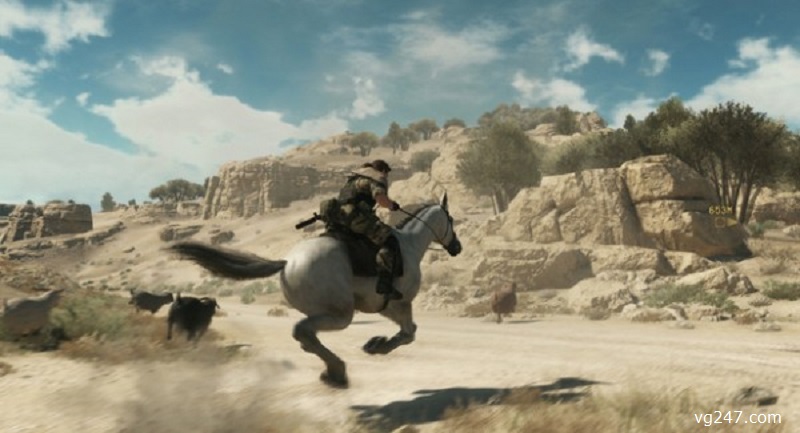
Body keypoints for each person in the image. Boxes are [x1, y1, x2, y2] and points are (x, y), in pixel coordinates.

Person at [334, 159, 403, 301]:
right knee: (389, 240)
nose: (386, 176)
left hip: (338, 218)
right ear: (383, 170)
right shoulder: (375, 179)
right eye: (386, 173)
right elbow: (381, 199)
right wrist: (392, 205)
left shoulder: (353, 179)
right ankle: (384, 284)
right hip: (357, 218)